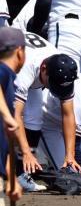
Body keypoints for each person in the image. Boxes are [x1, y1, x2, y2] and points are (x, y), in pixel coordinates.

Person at [11, 33, 65, 192]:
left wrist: (70, 155)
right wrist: (26, 151)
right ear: (44, 69)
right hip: (12, 66)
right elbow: (15, 115)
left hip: (30, 69)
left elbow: (68, 111)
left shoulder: (59, 63)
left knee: (35, 118)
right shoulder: (25, 70)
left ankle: (22, 174)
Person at [0, 28, 25, 206]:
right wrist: (8, 116)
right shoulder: (3, 73)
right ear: (20, 52)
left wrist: (12, 179)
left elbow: (4, 141)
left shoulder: (7, 80)